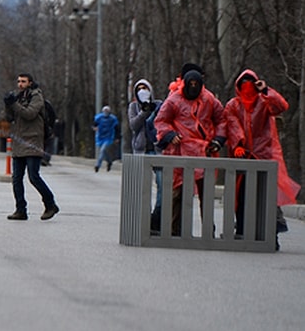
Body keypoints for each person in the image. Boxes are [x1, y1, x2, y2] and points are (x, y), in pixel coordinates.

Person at [223, 69, 299, 250]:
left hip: (264, 155)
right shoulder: (233, 105)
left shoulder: (264, 103)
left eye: (252, 84)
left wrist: (266, 91)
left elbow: (281, 106)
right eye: (244, 85)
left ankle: (270, 236)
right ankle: (241, 231)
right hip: (244, 156)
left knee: (267, 197)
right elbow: (232, 125)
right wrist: (238, 145)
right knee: (242, 196)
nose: (248, 89)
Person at [154, 67, 225, 236]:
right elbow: (161, 120)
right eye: (190, 84)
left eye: (196, 84)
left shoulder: (209, 99)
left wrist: (219, 140)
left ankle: (209, 231)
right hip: (180, 152)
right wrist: (169, 134)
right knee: (178, 193)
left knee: (206, 194)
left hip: (204, 151)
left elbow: (222, 120)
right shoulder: (174, 100)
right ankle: (174, 229)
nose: (193, 87)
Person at [3, 73, 59, 221]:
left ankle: (50, 204)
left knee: (33, 176)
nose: (20, 84)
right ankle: (20, 209)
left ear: (30, 82)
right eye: (18, 81)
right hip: (19, 142)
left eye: (23, 81)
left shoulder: (36, 96)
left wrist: (14, 104)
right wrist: (8, 105)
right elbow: (9, 118)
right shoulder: (19, 97)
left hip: (33, 141)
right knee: (16, 179)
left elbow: (29, 114)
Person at [128, 78, 163, 231]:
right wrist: (143, 111)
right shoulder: (134, 106)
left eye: (145, 88)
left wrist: (153, 109)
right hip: (141, 150)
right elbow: (134, 126)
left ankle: (158, 215)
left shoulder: (159, 105)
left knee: (162, 184)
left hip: (157, 150)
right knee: (143, 186)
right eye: (139, 89)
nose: (143, 91)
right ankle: (145, 218)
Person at [93, 106, 120, 172]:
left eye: (107, 111)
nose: (106, 112)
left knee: (102, 150)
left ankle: (97, 165)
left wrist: (117, 137)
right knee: (104, 152)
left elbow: (117, 128)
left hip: (108, 137)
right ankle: (109, 161)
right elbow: (94, 124)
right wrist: (95, 128)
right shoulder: (98, 117)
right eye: (105, 111)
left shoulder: (113, 119)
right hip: (100, 137)